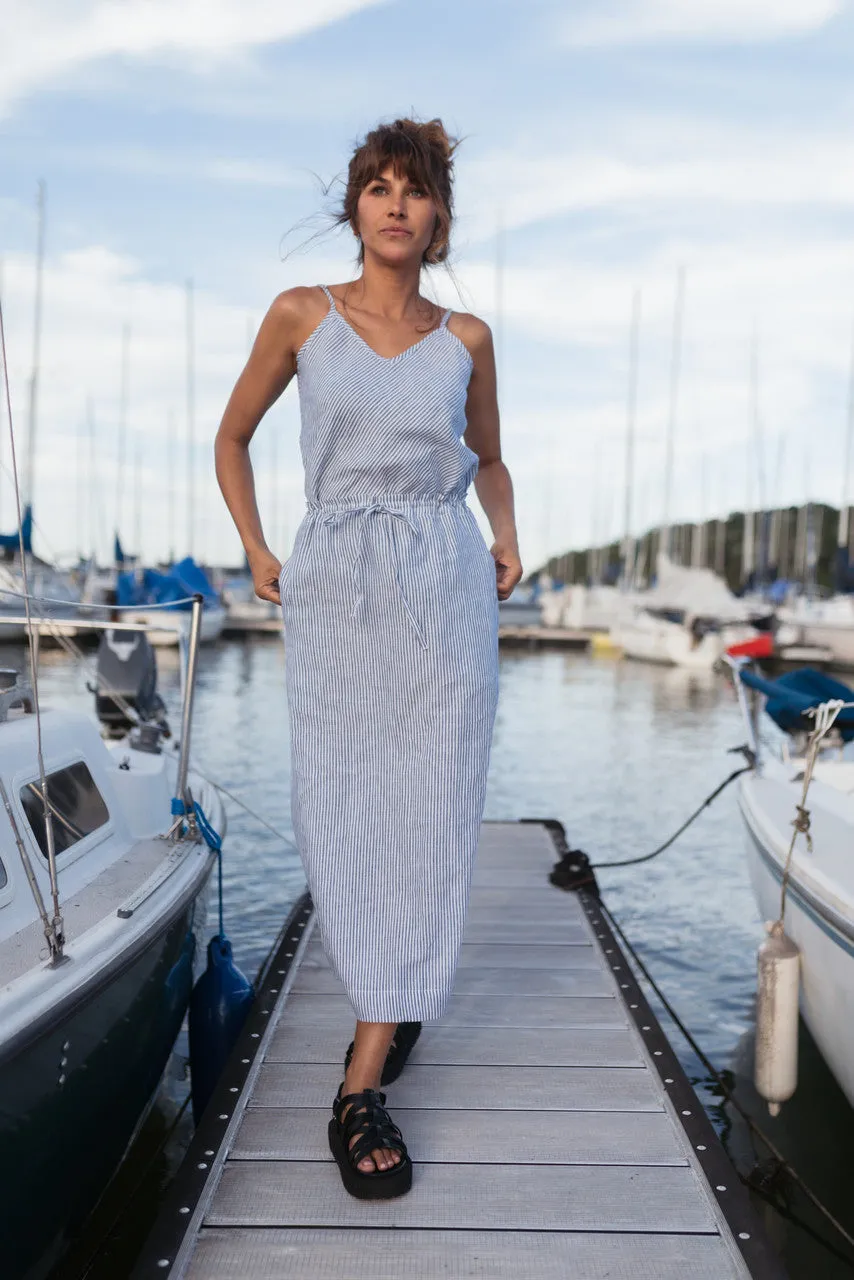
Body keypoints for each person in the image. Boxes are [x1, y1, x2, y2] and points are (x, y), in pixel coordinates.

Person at [214, 115, 522, 1199]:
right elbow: (232, 434)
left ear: (438, 215)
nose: (396, 202)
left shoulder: (467, 337)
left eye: (415, 188)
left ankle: (360, 1074)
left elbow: (487, 456)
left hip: (442, 581)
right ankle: (390, 993)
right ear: (354, 207)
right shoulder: (303, 316)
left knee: (432, 801)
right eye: (377, 186)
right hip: (336, 585)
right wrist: (254, 544)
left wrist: (507, 535)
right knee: (344, 802)